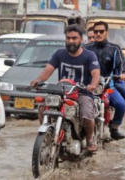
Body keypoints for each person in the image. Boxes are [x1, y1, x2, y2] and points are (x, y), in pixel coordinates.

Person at [31, 24, 100, 152]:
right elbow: (48, 71)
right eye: (68, 38)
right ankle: (48, 135)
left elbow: (95, 73)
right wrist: (38, 80)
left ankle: (90, 138)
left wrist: (93, 85)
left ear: (81, 39)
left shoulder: (90, 56)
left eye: (74, 38)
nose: (71, 41)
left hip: (82, 93)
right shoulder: (59, 54)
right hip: (62, 92)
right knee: (42, 108)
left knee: (86, 114)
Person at [83, 21, 125, 140]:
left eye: (101, 31)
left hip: (108, 86)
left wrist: (123, 73)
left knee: (121, 104)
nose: (98, 34)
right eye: (96, 31)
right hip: (89, 86)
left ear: (107, 33)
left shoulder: (114, 49)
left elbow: (122, 63)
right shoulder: (86, 49)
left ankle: (114, 128)